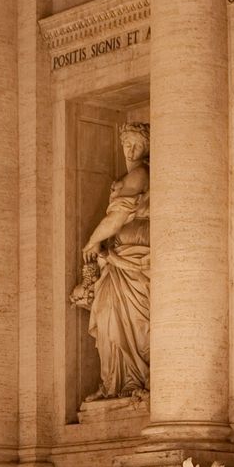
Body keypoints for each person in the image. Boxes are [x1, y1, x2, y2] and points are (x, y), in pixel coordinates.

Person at [73, 123, 152, 397]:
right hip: (118, 260)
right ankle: (114, 383)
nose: (129, 150)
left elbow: (118, 216)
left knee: (136, 324)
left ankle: (134, 380)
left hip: (135, 256)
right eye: (126, 144)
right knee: (107, 315)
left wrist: (93, 241)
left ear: (147, 147)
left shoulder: (141, 175)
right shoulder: (128, 178)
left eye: (136, 144)